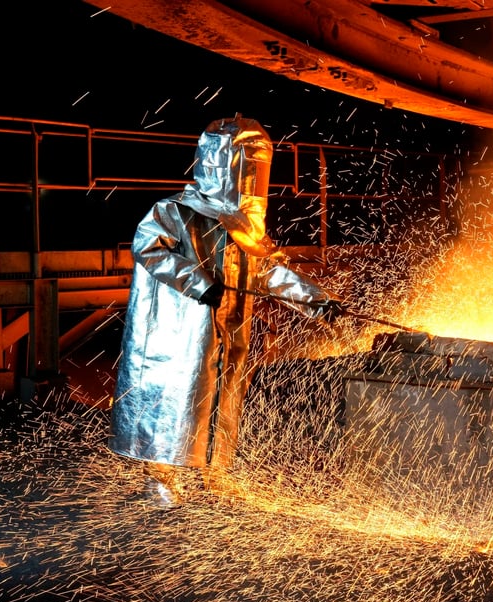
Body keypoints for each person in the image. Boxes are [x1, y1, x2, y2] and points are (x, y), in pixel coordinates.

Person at [109, 115, 344, 509]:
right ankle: (159, 479)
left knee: (219, 400)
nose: (251, 182)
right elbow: (148, 249)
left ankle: (212, 475)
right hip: (178, 335)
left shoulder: (245, 229)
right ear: (221, 165)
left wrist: (317, 301)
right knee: (169, 401)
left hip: (228, 330)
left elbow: (268, 272)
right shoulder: (175, 212)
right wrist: (200, 284)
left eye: (258, 171)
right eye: (247, 169)